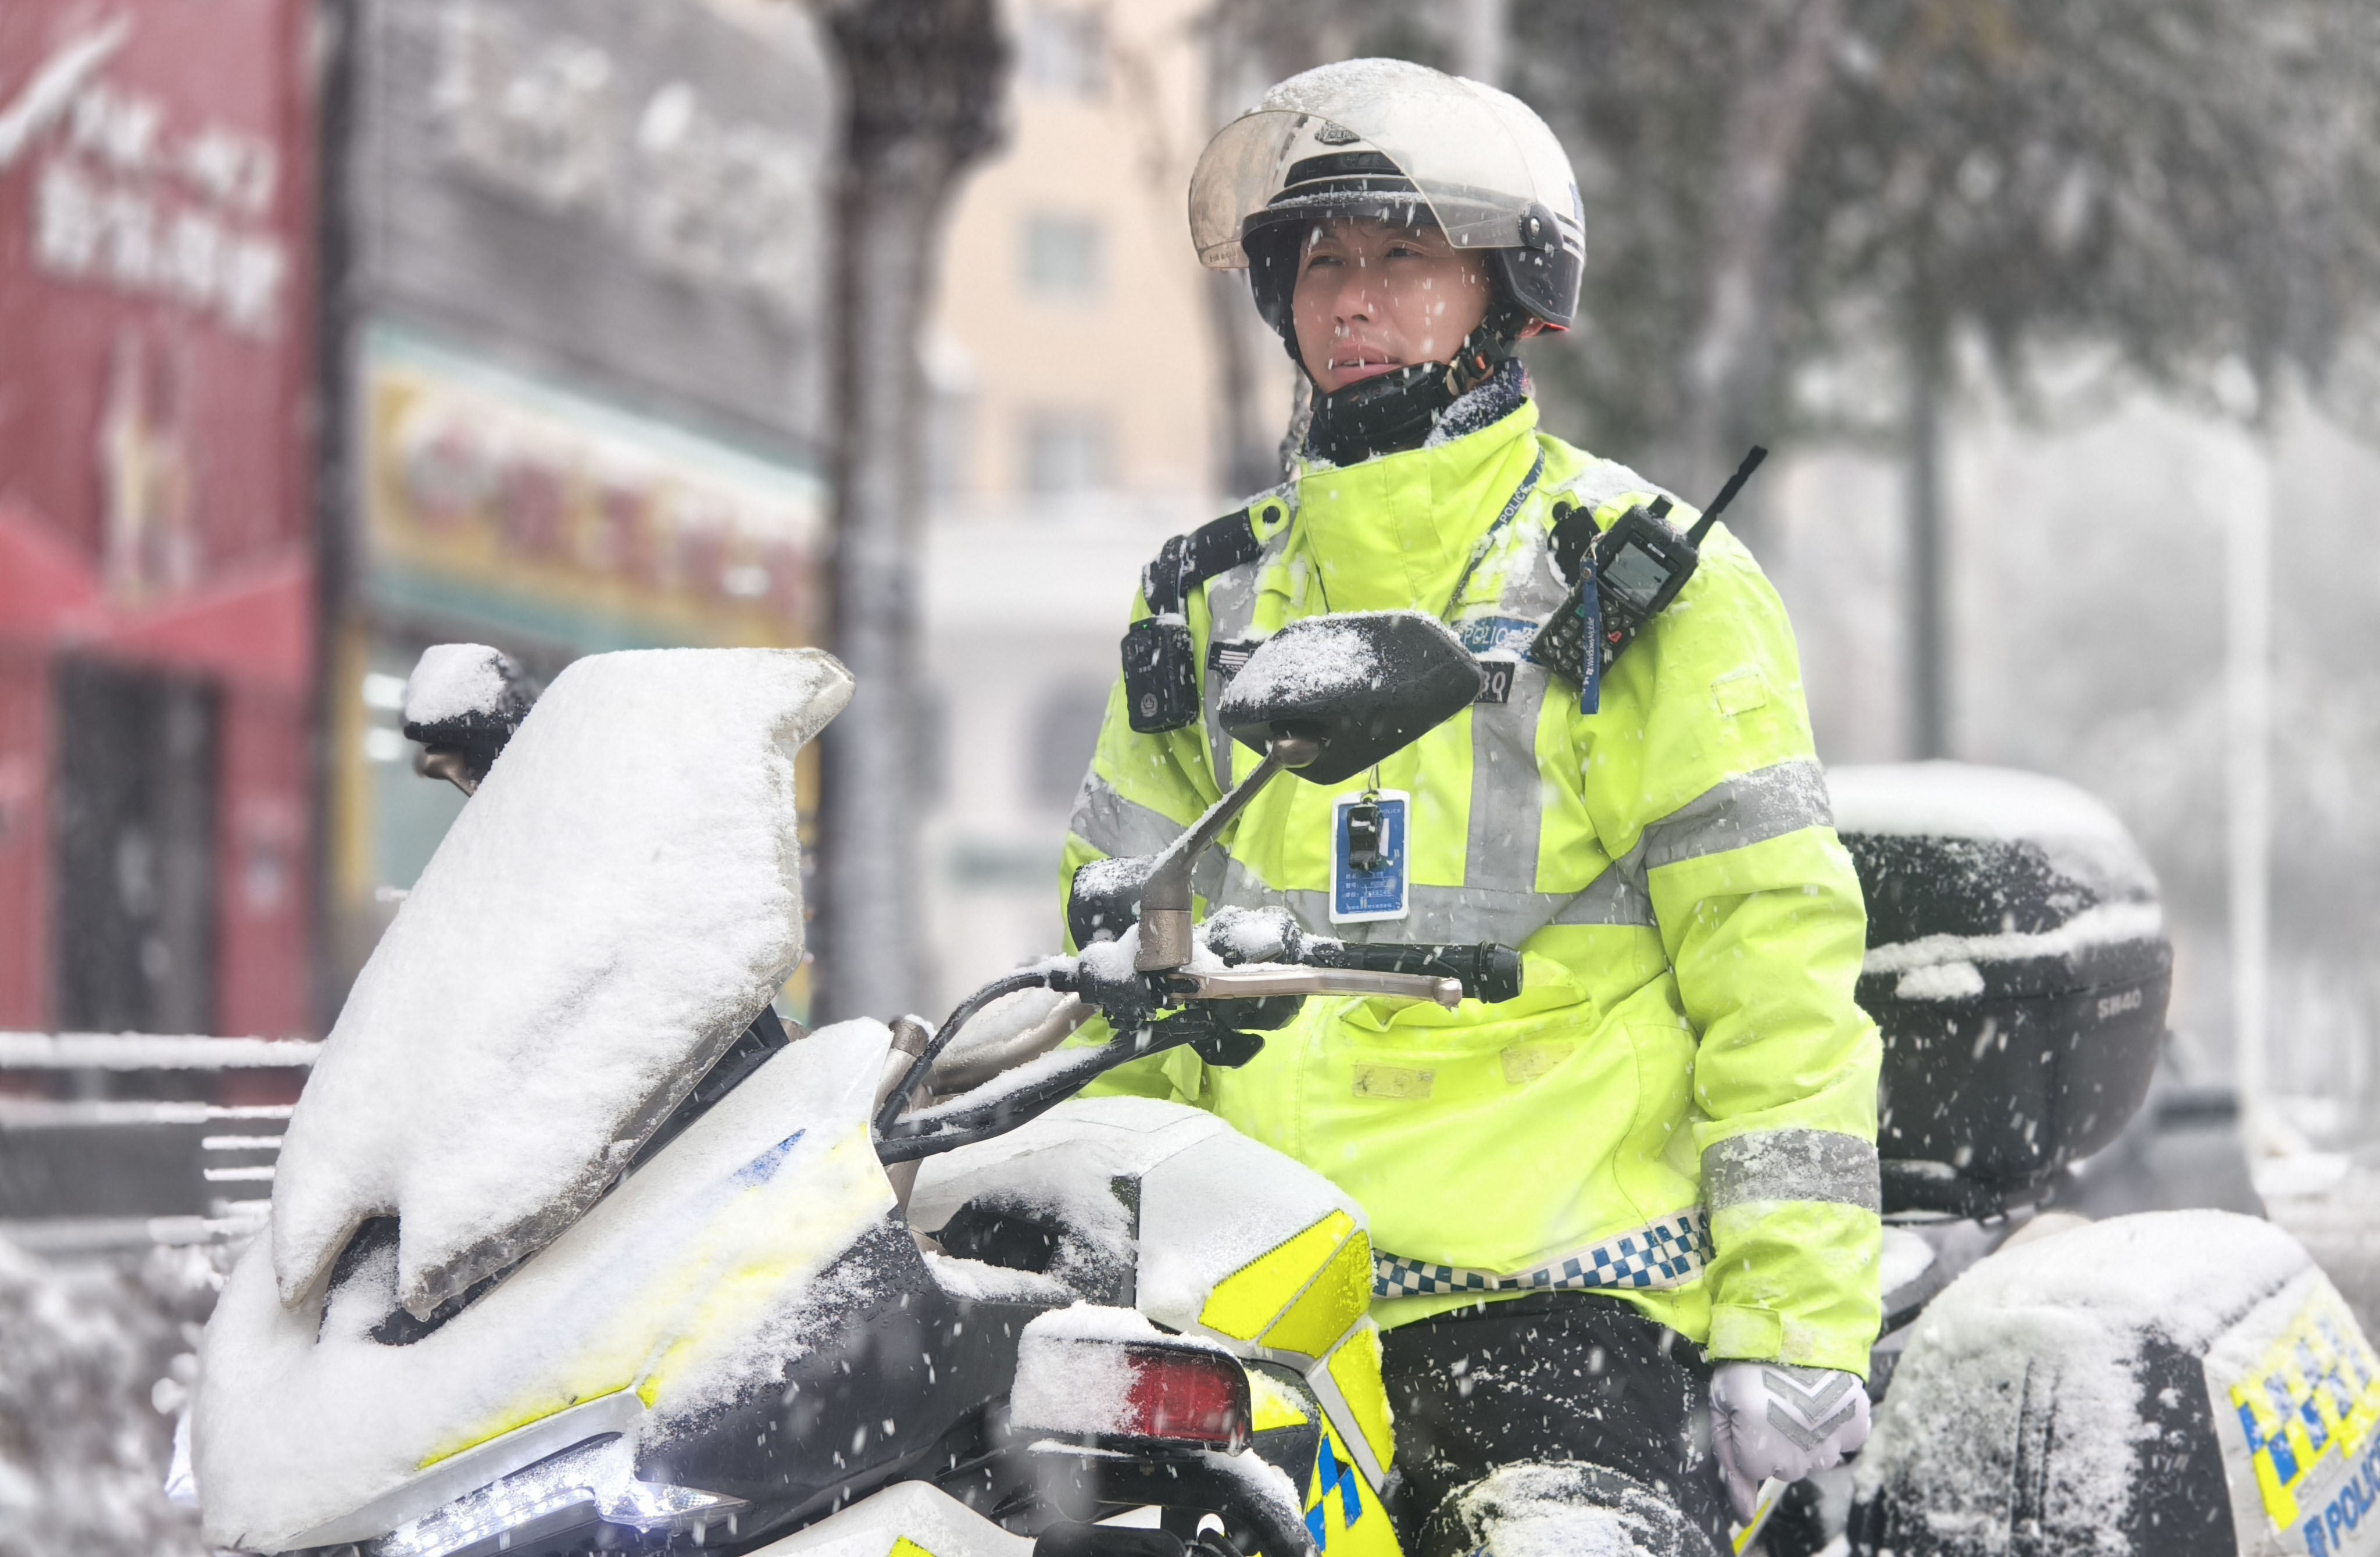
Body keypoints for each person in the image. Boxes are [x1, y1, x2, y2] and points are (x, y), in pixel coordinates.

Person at [1062, 58, 1879, 1556]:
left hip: (1556, 1305)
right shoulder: (1201, 602)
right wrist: (1107, 1256)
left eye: (1402, 256)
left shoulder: (1639, 587)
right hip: (1256, 1296)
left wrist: (1797, 1323)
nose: (1351, 302)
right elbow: (1117, 971)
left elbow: (1779, 985)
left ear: (1508, 293)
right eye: (1320, 262)